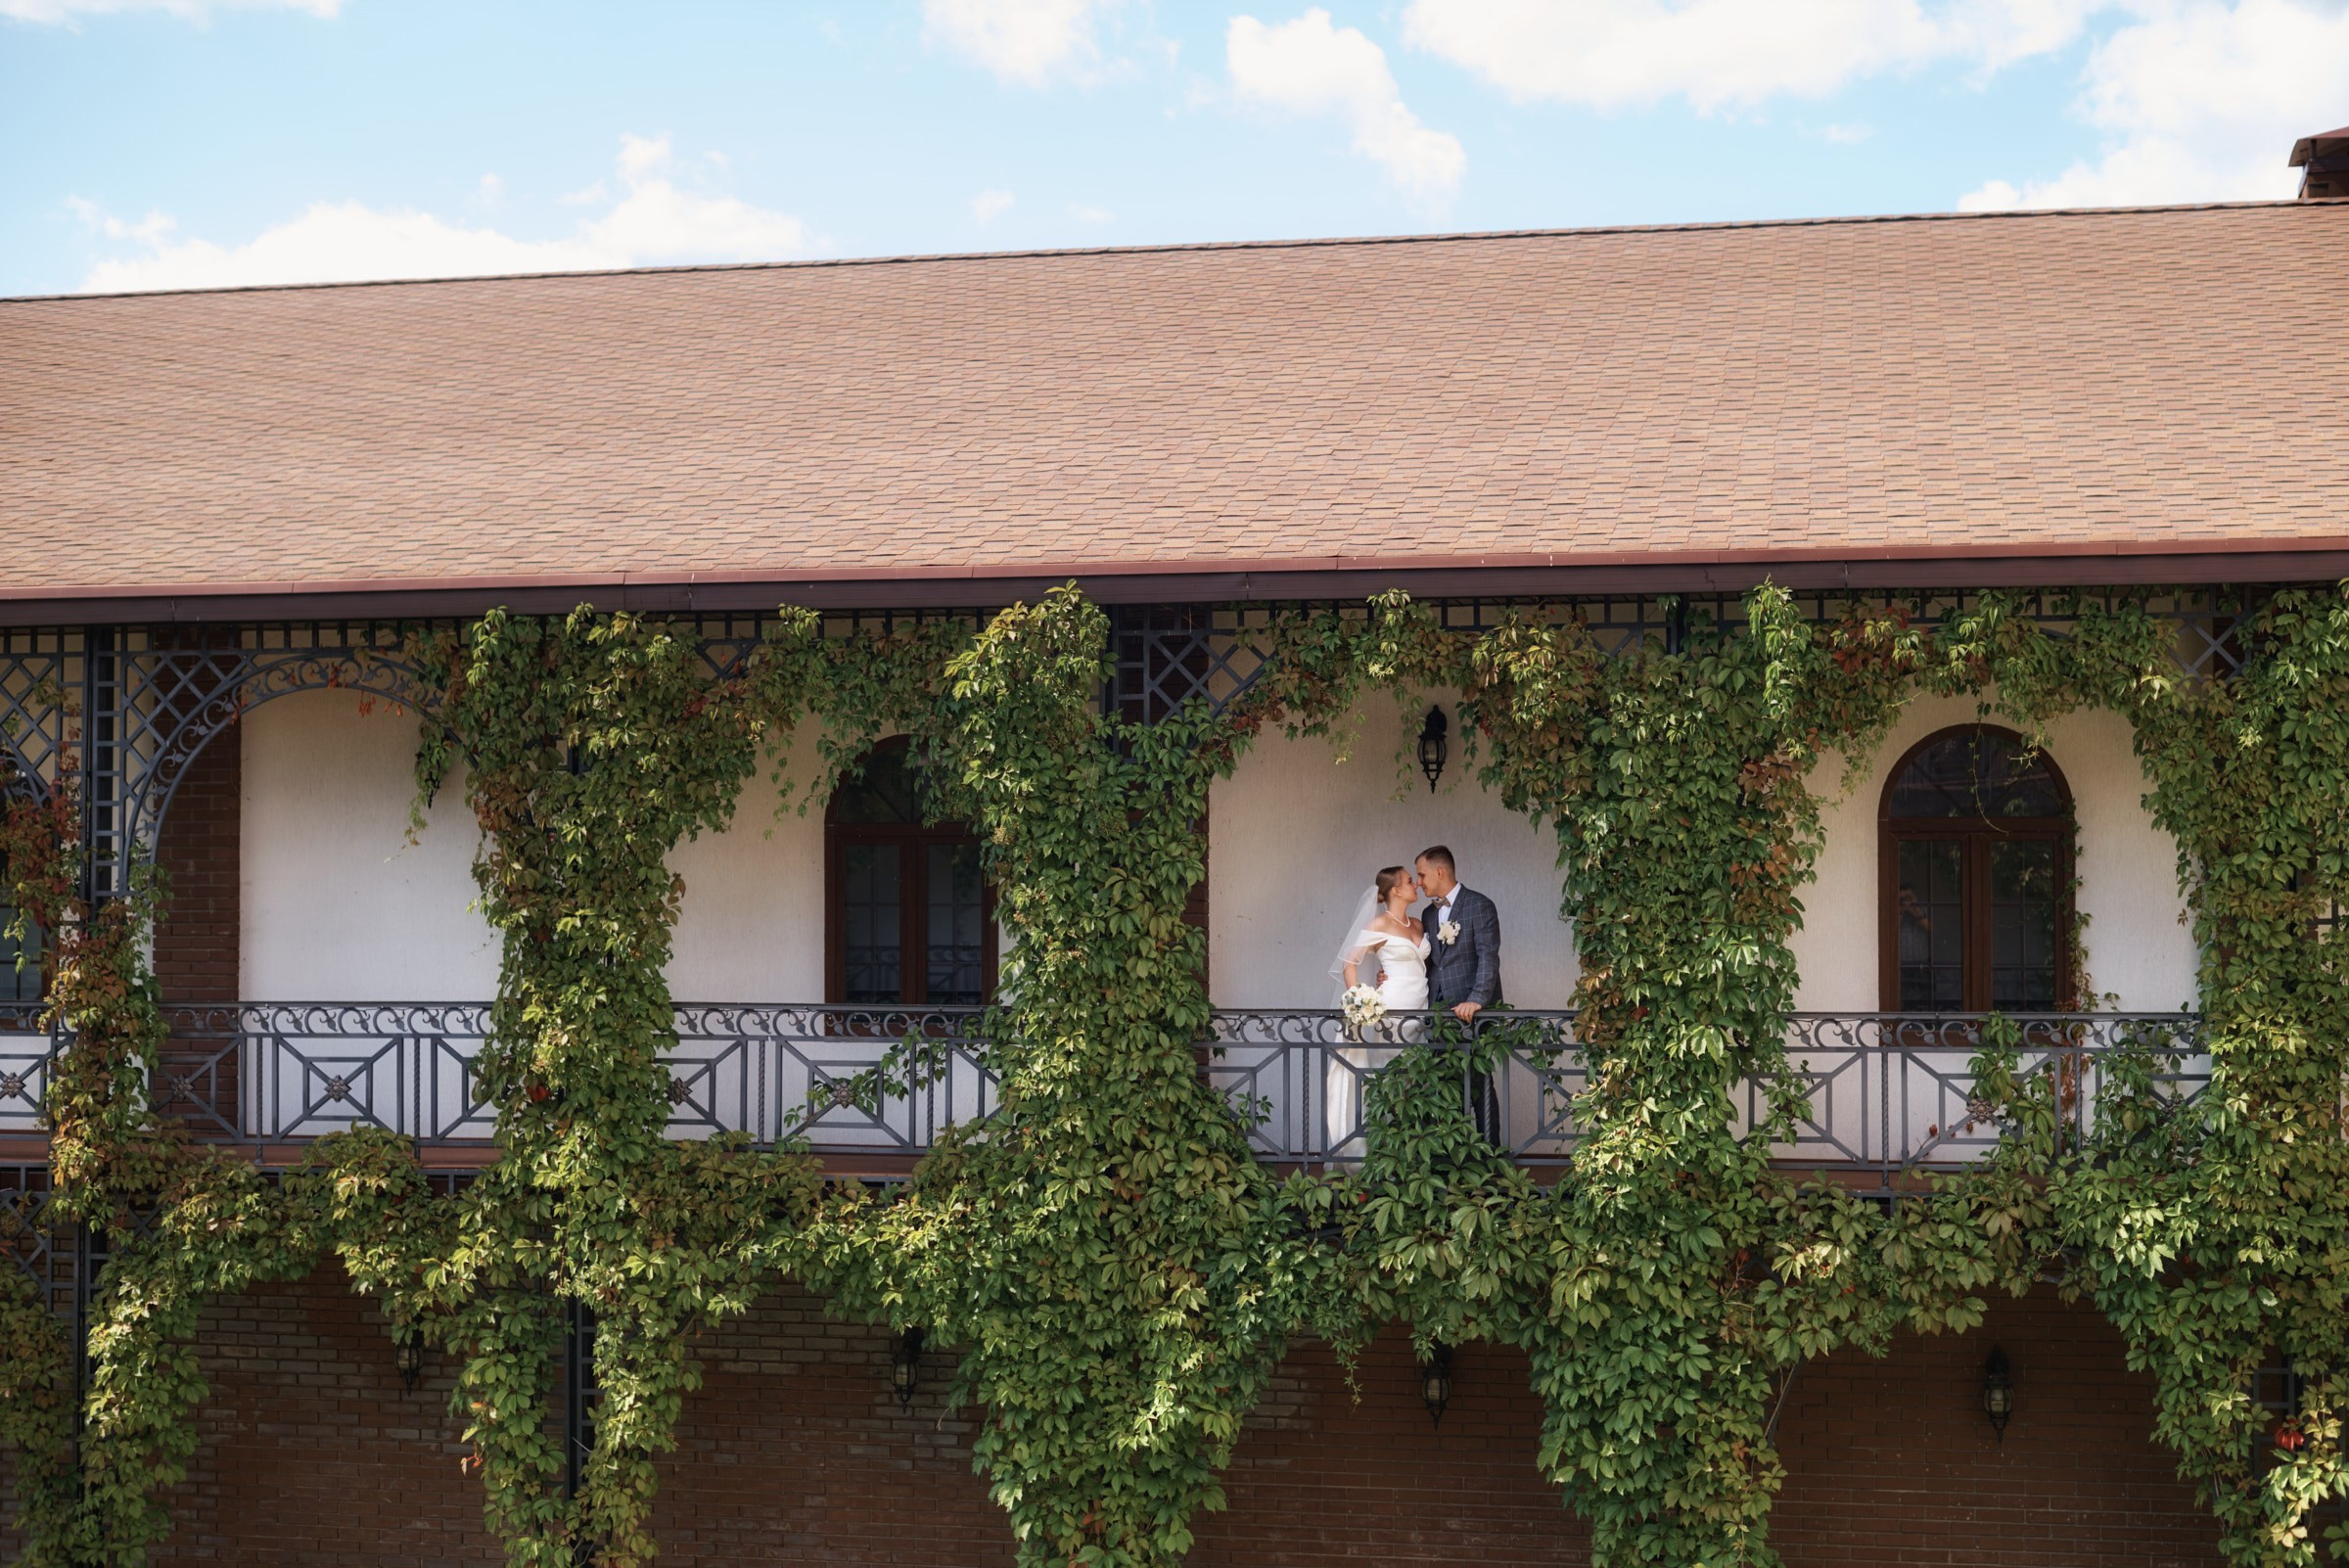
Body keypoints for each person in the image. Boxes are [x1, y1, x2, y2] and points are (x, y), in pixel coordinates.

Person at [1325, 864, 1428, 1157]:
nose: (1416, 885)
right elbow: (1349, 961)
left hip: (1423, 1006)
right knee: (1391, 1077)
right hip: (1393, 1010)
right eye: (1410, 881)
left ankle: (1412, 1150)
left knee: (1416, 1080)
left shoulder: (1420, 924)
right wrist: (1358, 998)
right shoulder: (1379, 925)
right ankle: (1384, 1153)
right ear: (1395, 890)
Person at [1415, 846, 1504, 1141]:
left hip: (1471, 1014)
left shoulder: (1480, 905)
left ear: (1439, 871)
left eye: (1422, 874)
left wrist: (1477, 999)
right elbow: (1428, 960)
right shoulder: (1428, 913)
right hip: (1437, 1014)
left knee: (1479, 1084)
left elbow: (1487, 956)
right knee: (1442, 1084)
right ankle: (1449, 1156)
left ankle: (1491, 1155)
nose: (1419, 882)